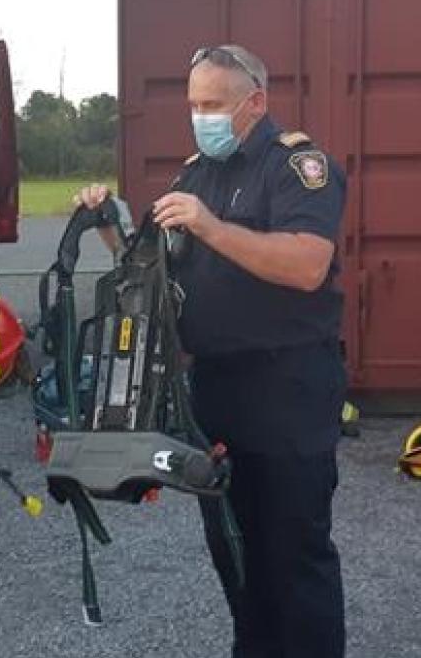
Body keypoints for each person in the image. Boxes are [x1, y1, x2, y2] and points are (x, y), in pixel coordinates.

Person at [77, 44, 347, 658]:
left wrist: (210, 227)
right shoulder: (197, 174)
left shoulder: (299, 167)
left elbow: (308, 265)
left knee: (293, 552)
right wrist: (107, 226)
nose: (202, 116)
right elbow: (154, 277)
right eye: (194, 105)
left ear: (255, 102)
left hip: (288, 389)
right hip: (217, 392)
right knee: (234, 546)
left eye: (214, 105)